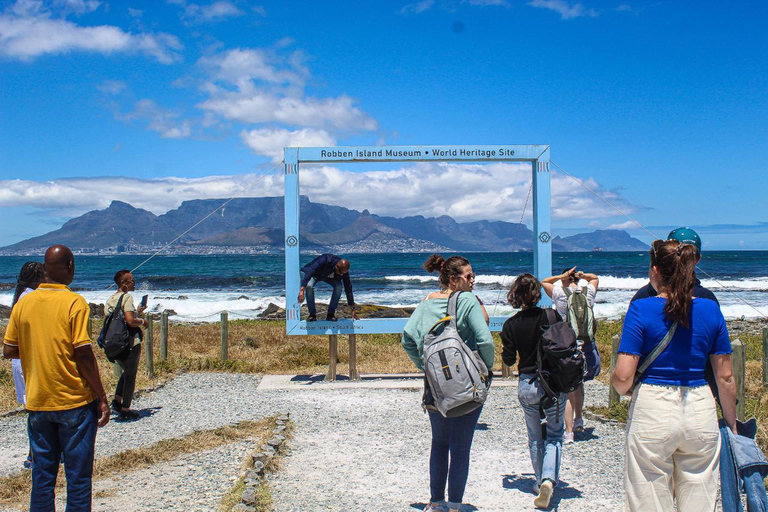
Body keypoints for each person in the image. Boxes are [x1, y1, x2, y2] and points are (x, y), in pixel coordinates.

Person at [611, 239, 737, 511]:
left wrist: (627, 389)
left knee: (649, 494)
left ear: (655, 270)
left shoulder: (640, 309)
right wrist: (731, 422)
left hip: (653, 407)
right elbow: (725, 376)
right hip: (700, 405)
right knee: (700, 493)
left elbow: (622, 377)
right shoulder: (710, 309)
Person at [3, 244, 110, 512]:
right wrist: (102, 396)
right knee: (77, 478)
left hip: (38, 401)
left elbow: (9, 350)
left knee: (42, 475)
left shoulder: (23, 303)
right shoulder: (74, 302)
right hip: (73, 400)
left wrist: (39, 345)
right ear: (70, 266)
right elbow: (83, 353)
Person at [402, 254, 494, 512]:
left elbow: (407, 340)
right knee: (461, 448)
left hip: (435, 386)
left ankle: (436, 503)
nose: (473, 280)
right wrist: (485, 370)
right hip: (467, 384)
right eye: (468, 276)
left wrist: (425, 368)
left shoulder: (424, 305)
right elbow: (485, 340)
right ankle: (455, 505)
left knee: (439, 443)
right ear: (454, 280)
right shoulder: (466, 301)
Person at [501, 273, 566, 509]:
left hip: (528, 383)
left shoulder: (510, 325)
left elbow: (509, 360)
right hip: (553, 382)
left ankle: (539, 482)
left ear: (516, 295)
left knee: (534, 436)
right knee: (555, 434)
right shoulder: (551, 315)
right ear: (537, 293)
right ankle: (549, 478)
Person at [541, 267, 600, 444]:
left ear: (565, 279)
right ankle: (579, 419)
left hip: (567, 344)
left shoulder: (559, 292)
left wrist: (560, 277)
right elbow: (595, 277)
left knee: (565, 389)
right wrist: (584, 276)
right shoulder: (588, 292)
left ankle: (568, 433)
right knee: (578, 383)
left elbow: (544, 281)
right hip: (586, 344)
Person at [11, 261, 45, 470]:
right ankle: (35, 454)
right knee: (37, 410)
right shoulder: (30, 297)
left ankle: (36, 452)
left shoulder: (21, 296)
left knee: (34, 409)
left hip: (21, 361)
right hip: (28, 361)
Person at [105, 270, 148, 420]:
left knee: (125, 371)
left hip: (114, 341)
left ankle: (117, 400)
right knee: (131, 375)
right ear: (123, 284)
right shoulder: (127, 297)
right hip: (129, 341)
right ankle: (125, 409)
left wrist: (137, 312)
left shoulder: (110, 299)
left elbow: (120, 318)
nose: (134, 283)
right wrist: (143, 321)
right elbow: (130, 322)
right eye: (131, 281)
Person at [297, 254, 357, 321]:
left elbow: (348, 286)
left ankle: (330, 315)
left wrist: (352, 305)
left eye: (343, 273)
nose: (341, 274)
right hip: (315, 274)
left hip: (327, 276)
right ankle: (312, 315)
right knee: (309, 286)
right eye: (340, 272)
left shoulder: (343, 269)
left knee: (339, 286)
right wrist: (302, 289)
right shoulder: (325, 259)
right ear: (336, 266)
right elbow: (310, 271)